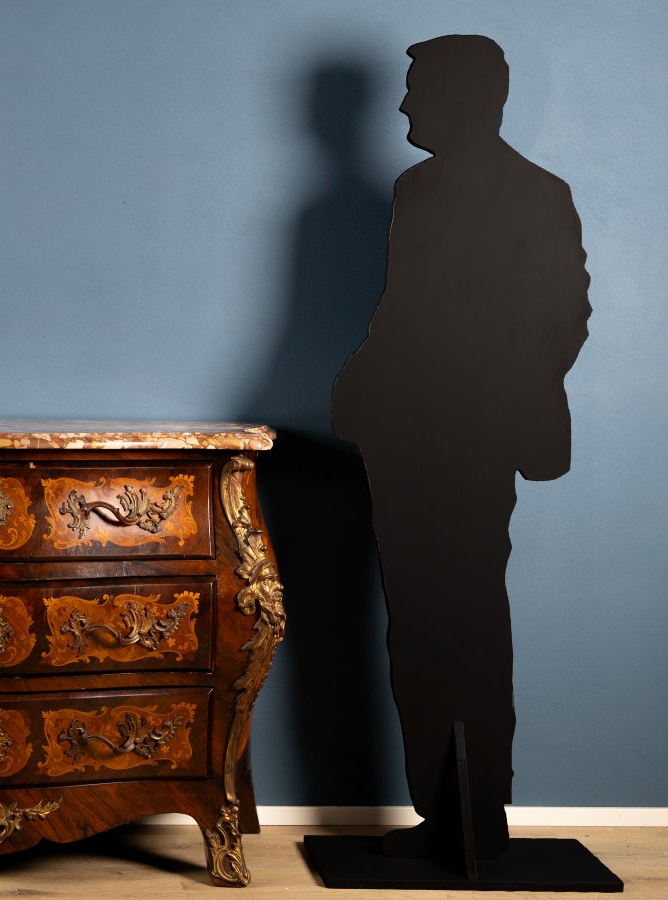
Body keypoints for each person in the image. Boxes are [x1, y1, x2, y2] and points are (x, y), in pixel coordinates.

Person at [331, 34, 590, 859]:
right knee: (416, 620)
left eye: (417, 91)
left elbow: (562, 318)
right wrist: (364, 393)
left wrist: (481, 395)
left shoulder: (538, 194)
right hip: (402, 435)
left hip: (470, 438)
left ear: (469, 95)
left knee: (465, 617)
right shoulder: (416, 188)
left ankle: (481, 808)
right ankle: (442, 807)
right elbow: (401, 311)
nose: (403, 107)